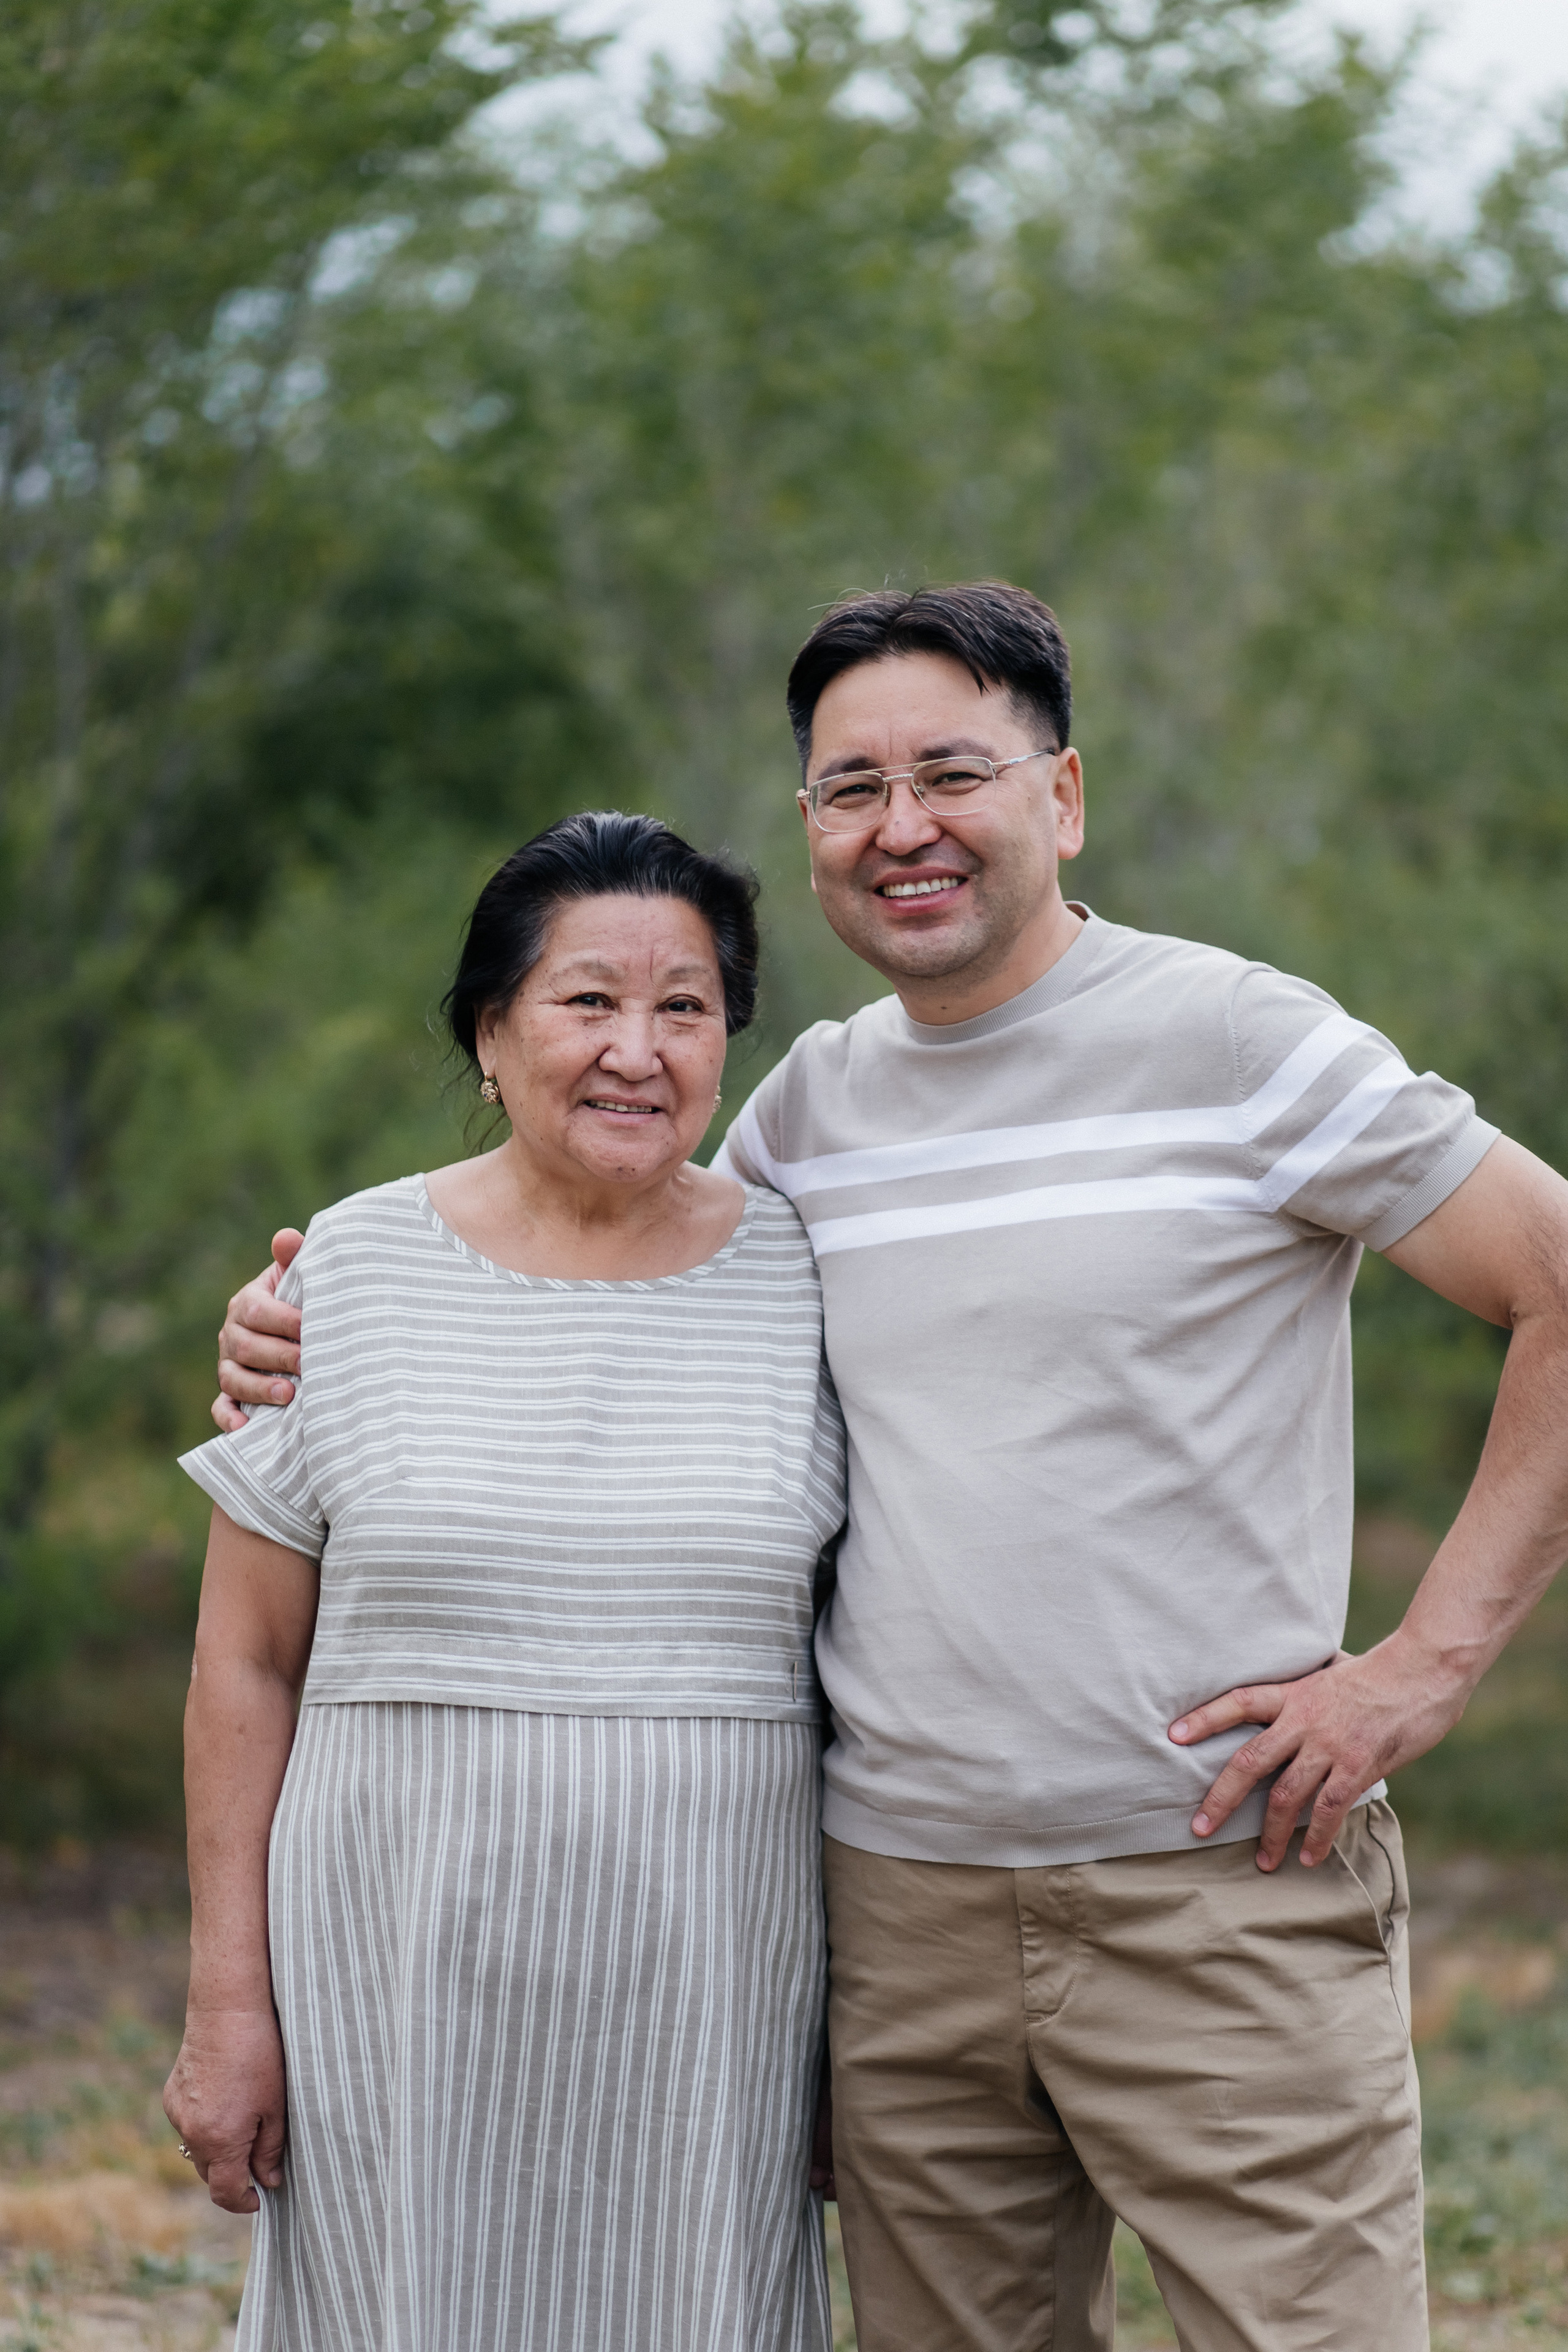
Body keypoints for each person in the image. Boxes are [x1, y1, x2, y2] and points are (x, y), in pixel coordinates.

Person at [216, 584, 1568, 2352]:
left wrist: (1419, 1674)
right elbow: (594, 1269)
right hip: (895, 1913)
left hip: (1208, 1883)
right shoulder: (807, 1121)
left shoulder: (1243, 1043)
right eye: (853, 789)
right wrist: (315, 1321)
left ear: (1062, 797)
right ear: (811, 831)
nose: (903, 827)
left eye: (952, 773)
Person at [166, 812, 846, 2352]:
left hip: (714, 1973)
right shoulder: (341, 1270)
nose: (636, 1048)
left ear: (731, 1044)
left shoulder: (811, 1276)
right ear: (489, 1034)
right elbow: (244, 1664)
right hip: (394, 1965)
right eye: (585, 1001)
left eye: (684, 1007)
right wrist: (227, 2009)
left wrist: (853, 2034)